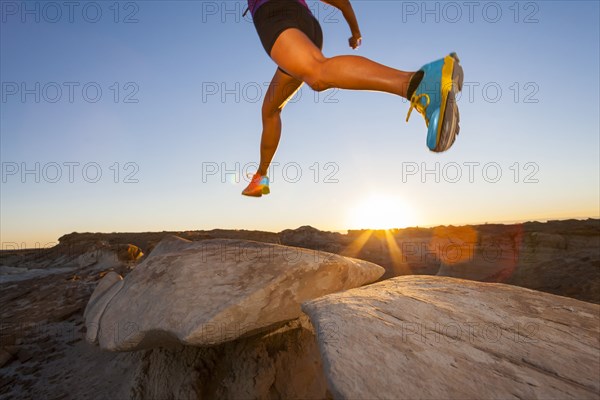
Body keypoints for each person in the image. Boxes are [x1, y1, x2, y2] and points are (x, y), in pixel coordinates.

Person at [242, 0, 463, 197]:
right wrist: (355, 32)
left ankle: (419, 83)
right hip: (306, 26)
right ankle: (261, 177)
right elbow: (344, 3)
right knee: (270, 109)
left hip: (276, 15)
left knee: (317, 74)